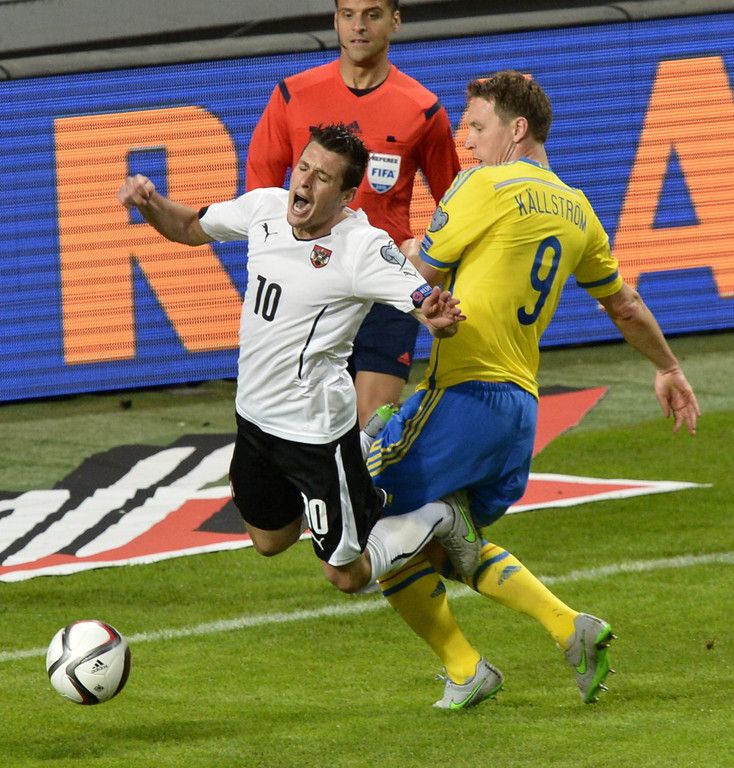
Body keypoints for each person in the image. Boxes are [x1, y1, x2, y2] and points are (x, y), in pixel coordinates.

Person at [365, 72, 701, 709]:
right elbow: (625, 304)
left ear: (516, 130)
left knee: (357, 515)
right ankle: (566, 630)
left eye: (477, 126)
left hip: (462, 395)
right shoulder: (579, 208)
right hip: (519, 414)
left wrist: (390, 249)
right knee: (434, 547)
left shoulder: (483, 186)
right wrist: (668, 367)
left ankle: (465, 662)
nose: (467, 142)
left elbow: (414, 278)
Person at [116, 123, 479, 598]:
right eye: (303, 167)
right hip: (254, 419)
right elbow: (187, 227)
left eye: (322, 177)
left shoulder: (363, 248)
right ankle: (359, 482)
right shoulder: (264, 208)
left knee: (346, 575)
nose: (304, 181)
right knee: (270, 540)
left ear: (346, 195)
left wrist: (436, 317)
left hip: (315, 434)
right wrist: (149, 203)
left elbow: (423, 305)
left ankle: (438, 515)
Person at [246, 0, 460, 426]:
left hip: (384, 286)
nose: (358, 26)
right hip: (310, 286)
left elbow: (456, 206)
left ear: (395, 21)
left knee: (370, 426)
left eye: (372, 14)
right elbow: (260, 196)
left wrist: (424, 262)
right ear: (336, 20)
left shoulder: (423, 109)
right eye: (348, 14)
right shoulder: (293, 95)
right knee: (308, 424)